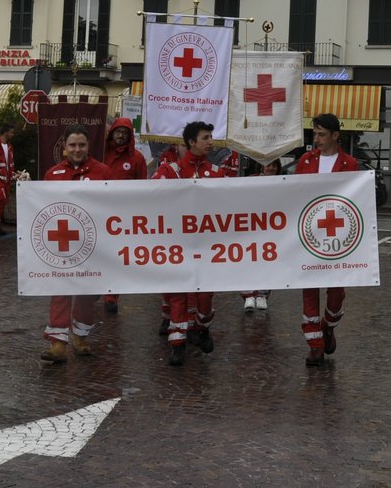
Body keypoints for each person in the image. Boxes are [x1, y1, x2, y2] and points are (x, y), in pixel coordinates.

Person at [152, 121, 234, 366]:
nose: (211, 142)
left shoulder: (217, 173)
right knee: (178, 292)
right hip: (177, 244)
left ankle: (201, 327)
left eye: (211, 137)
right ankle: (177, 343)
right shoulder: (170, 171)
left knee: (205, 295)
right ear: (191, 142)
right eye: (206, 138)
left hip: (207, 246)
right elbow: (148, 197)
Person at [39, 126, 112, 363]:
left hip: (94, 246)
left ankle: (80, 337)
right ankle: (57, 343)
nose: (77, 149)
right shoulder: (53, 174)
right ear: (64, 146)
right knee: (60, 290)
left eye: (81, 145)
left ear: (88, 146)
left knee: (87, 294)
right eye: (73, 145)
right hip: (62, 245)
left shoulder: (103, 173)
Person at [293, 113, 361, 366]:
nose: (317, 139)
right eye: (314, 134)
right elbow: (296, 192)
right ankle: (315, 345)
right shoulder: (306, 160)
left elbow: (355, 201)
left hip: (337, 237)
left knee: (336, 292)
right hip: (309, 235)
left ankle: (328, 325)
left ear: (335, 135)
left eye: (322, 134)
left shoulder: (349, 164)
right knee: (309, 289)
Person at [101, 117, 148, 313]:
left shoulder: (136, 158)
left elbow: (143, 187)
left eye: (125, 133)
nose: (120, 135)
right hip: (100, 211)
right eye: (118, 131)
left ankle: (112, 296)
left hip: (122, 216)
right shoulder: (101, 153)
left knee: (117, 256)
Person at [241, 157, 283, 313]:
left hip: (272, 230)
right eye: (267, 165)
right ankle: (248, 296)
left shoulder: (284, 183)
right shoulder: (250, 181)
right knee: (247, 261)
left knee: (268, 263)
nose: (270, 168)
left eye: (273, 165)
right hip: (251, 228)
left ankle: (262, 295)